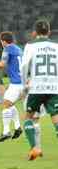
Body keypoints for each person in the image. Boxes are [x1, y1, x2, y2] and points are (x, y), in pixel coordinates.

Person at [21, 19, 58, 160]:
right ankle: (36, 148)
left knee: (28, 117)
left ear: (35, 33)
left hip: (36, 87)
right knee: (56, 118)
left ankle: (34, 148)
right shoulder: (56, 46)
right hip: (54, 87)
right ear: (49, 32)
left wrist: (24, 84)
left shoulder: (30, 46)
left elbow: (24, 66)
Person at [0, 32, 23, 142]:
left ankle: (6, 131)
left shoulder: (7, 49)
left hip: (17, 83)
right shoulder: (18, 49)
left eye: (1, 41)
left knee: (6, 104)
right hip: (22, 82)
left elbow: (2, 64)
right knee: (10, 104)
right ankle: (17, 127)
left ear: (3, 41)